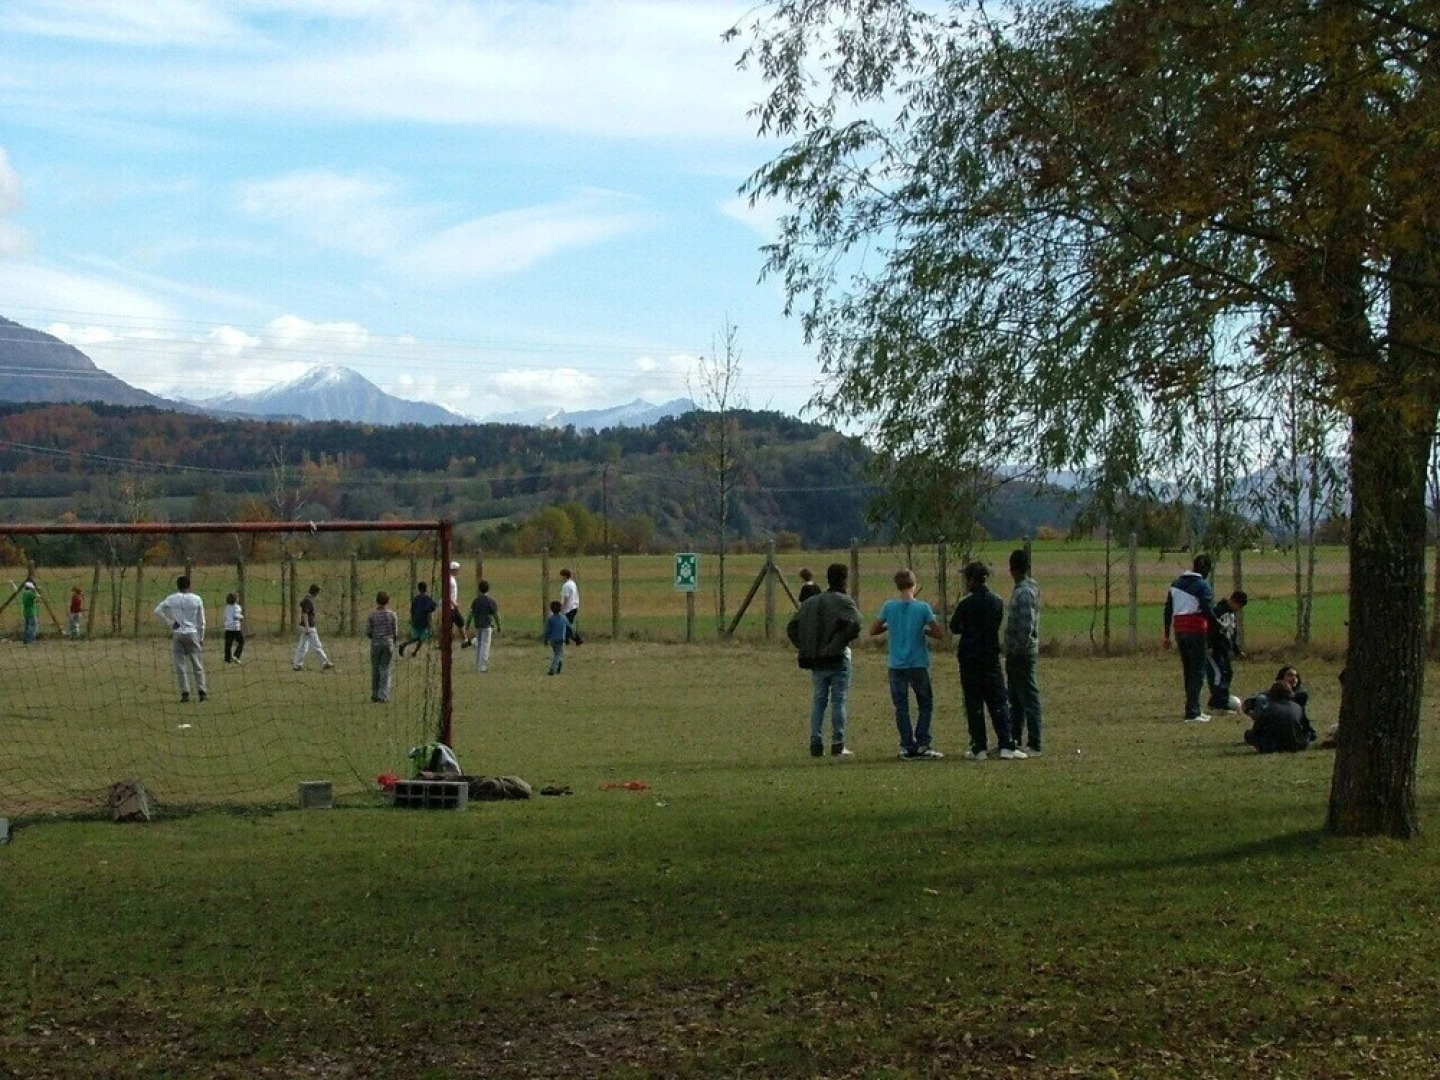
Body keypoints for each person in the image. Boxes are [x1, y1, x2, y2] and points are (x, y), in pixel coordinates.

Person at [949, 561, 1025, 760]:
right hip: (990, 657)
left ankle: (979, 746)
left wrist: (968, 628)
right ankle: (1006, 743)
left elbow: (954, 626)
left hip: (969, 658)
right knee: (998, 700)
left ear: (973, 580)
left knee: (973, 702)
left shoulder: (965, 603)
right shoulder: (997, 602)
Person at [786, 561, 862, 758]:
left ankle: (816, 743)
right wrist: (840, 641)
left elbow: (792, 626)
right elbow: (856, 624)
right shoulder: (844, 601)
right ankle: (838, 743)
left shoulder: (812, 602)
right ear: (844, 580)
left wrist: (805, 646)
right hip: (838, 657)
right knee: (838, 700)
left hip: (816, 659)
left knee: (818, 701)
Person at [869, 567, 944, 760]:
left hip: (896, 664)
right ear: (914, 584)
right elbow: (939, 633)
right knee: (925, 704)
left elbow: (873, 630)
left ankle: (906, 745)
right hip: (918, 663)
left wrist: (888, 625)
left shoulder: (888, 607)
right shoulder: (923, 607)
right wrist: (924, 630)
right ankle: (923, 742)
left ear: (897, 585)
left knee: (901, 707)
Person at [1163, 552, 1218, 723]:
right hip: (1196, 630)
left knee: (1188, 670)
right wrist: (1219, 627)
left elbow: (1167, 610)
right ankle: (1193, 712)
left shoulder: (1176, 583)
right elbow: (1207, 610)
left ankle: (1193, 708)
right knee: (1198, 670)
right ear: (1206, 569)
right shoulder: (1202, 585)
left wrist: (1166, 635)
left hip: (1179, 630)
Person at [1005, 548, 1043, 755]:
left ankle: (1034, 743)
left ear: (1013, 568)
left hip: (1022, 653)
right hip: (1017, 652)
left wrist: (1016, 649)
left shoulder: (1024, 593)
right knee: (1016, 698)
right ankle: (1015, 739)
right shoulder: (1025, 589)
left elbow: (1026, 626)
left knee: (1028, 697)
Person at [154, 574, 207, 703]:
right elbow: (202, 621)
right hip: (192, 632)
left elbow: (158, 610)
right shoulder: (197, 599)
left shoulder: (172, 598)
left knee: (180, 665)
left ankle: (185, 693)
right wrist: (201, 637)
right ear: (189, 585)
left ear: (177, 586)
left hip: (178, 633)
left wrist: (170, 622)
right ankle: (202, 692)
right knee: (197, 665)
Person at [1207, 589, 1249, 711]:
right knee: (1218, 675)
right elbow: (1209, 630)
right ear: (1234, 601)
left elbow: (1231, 635)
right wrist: (1209, 646)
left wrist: (1237, 651)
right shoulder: (1218, 611)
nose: (1239, 609)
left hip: (1224, 650)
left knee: (1227, 674)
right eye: (1239, 606)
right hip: (1214, 649)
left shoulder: (1232, 615)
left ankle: (1221, 700)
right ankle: (1217, 703)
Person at [1242, 679, 1309, 753]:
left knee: (1248, 734)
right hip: (1296, 745)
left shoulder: (1268, 709)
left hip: (1271, 747)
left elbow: (1256, 730)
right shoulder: (1297, 707)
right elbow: (1306, 728)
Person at [366, 590, 399, 703]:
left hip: (375, 643)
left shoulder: (372, 615)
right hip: (388, 643)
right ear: (388, 601)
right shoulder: (392, 614)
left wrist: (374, 637)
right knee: (385, 669)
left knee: (375, 669)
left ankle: (375, 694)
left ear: (377, 600)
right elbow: (395, 632)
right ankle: (383, 695)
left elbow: (368, 632)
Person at [293, 583, 334, 671]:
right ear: (315, 592)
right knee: (317, 645)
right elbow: (305, 614)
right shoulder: (308, 601)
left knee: (303, 647)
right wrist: (307, 627)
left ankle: (297, 665)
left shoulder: (305, 599)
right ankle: (325, 662)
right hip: (309, 627)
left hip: (304, 626)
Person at [468, 579, 501, 672]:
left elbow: (471, 614)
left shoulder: (476, 601)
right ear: (488, 589)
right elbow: (495, 615)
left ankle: (477, 665)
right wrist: (499, 626)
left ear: (479, 589)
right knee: (485, 645)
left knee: (479, 645)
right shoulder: (490, 601)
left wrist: (467, 624)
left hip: (477, 625)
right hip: (487, 625)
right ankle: (482, 667)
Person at [400, 581, 437, 657]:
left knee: (415, 637)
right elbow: (432, 607)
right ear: (426, 589)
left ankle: (405, 644)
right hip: (424, 621)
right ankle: (415, 652)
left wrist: (412, 618)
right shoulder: (427, 598)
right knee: (422, 638)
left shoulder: (416, 598)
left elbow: (412, 609)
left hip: (416, 620)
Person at [447, 561, 472, 647]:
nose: (458, 572)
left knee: (459, 623)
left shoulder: (452, 579)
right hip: (451, 607)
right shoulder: (450, 580)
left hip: (452, 606)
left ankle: (465, 640)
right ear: (453, 570)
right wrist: (454, 603)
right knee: (459, 622)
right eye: (456, 570)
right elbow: (446, 594)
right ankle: (465, 640)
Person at [545, 599, 571, 675]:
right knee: (558, 654)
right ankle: (553, 669)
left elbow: (548, 630)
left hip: (552, 640)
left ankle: (559, 666)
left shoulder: (550, 619)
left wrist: (546, 639)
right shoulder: (563, 618)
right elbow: (569, 626)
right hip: (560, 639)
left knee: (557, 653)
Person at [558, 567, 583, 645]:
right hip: (574, 607)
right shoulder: (572, 583)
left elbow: (565, 598)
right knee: (565, 626)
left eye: (562, 576)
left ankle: (577, 639)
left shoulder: (566, 586)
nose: (561, 578)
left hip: (568, 609)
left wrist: (561, 609)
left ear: (565, 576)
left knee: (566, 626)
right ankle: (566, 641)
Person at [222, 592, 245, 664]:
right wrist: (242, 616)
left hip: (228, 628)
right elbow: (236, 616)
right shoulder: (237, 607)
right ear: (235, 600)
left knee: (228, 644)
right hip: (235, 628)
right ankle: (236, 656)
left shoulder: (226, 607)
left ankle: (227, 659)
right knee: (241, 642)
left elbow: (225, 617)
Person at [19, 580, 38, 644]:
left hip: (25, 612)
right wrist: (35, 590)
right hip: (31, 612)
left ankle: (26, 639)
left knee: (26, 627)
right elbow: (37, 597)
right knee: (32, 626)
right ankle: (31, 640)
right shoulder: (30, 594)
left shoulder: (24, 593)